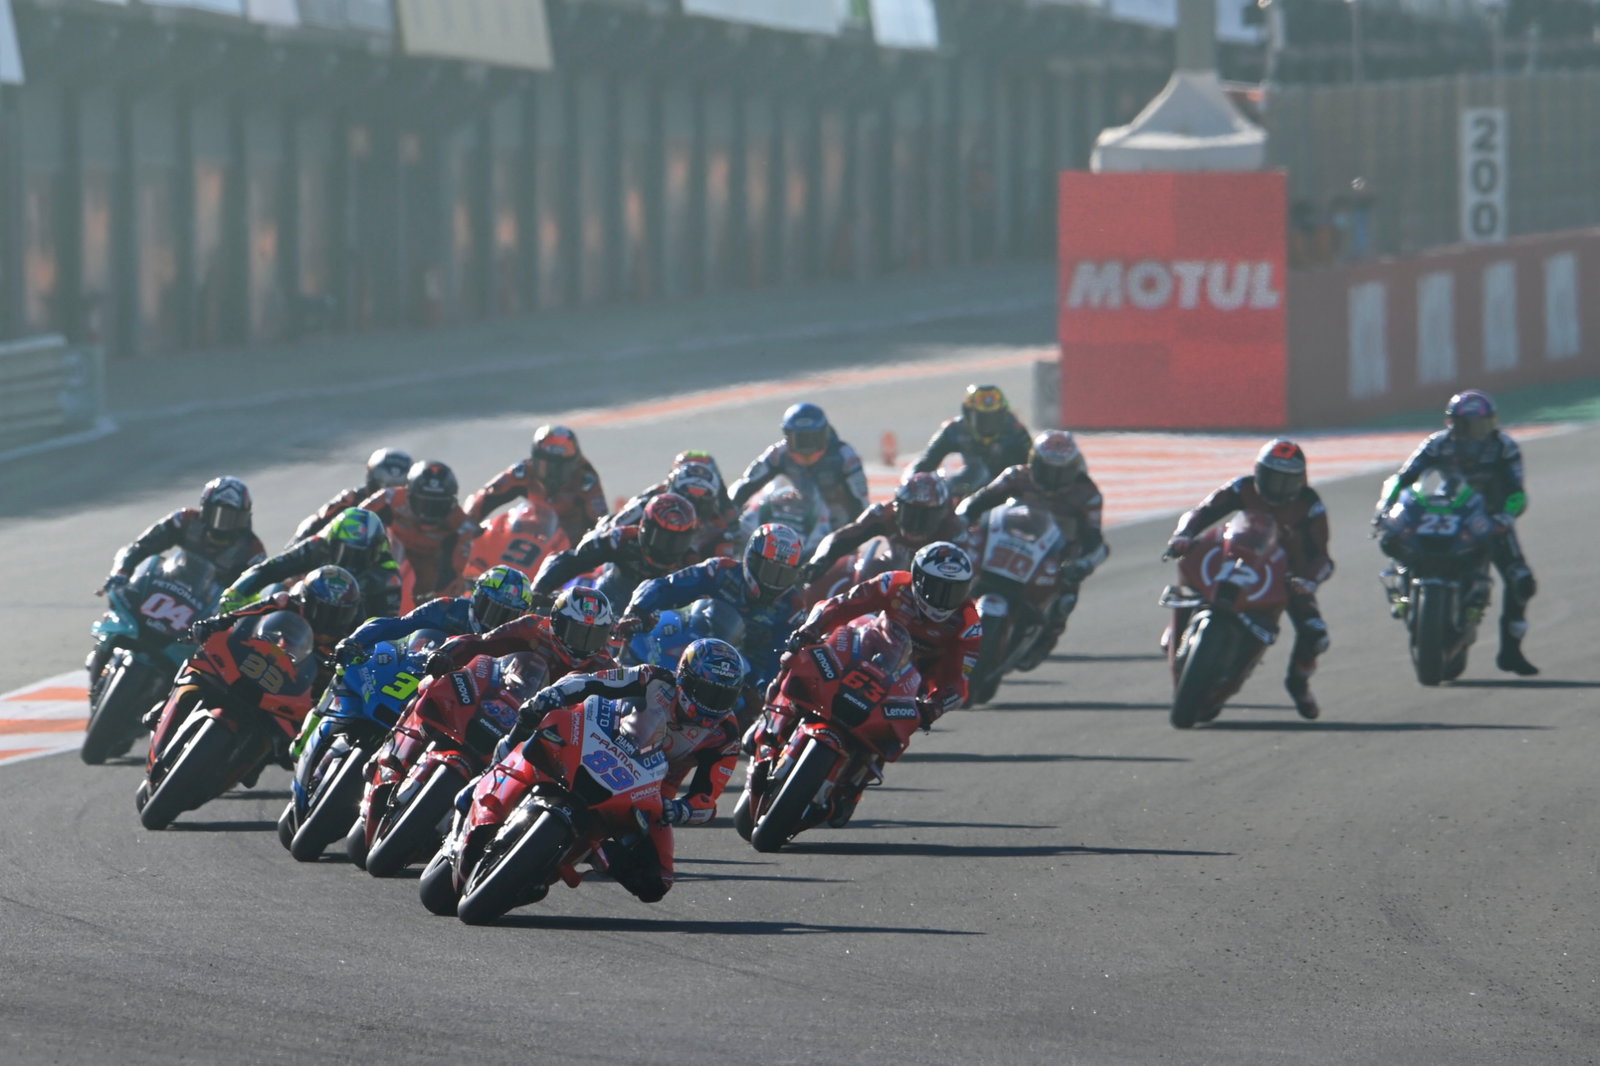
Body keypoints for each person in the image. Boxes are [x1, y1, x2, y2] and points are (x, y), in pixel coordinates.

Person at [507, 638, 747, 903]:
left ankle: (593, 851)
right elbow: (592, 681)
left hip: (651, 791)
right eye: (707, 693)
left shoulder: (725, 735)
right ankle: (499, 773)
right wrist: (553, 694)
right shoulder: (653, 678)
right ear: (685, 678)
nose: (713, 705)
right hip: (602, 743)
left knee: (657, 883)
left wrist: (681, 809)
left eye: (724, 697)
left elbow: (708, 798)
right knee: (542, 729)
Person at [1165, 439, 1334, 718]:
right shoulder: (1240, 488)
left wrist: (1308, 580)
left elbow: (1322, 558)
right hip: (1235, 558)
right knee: (1186, 587)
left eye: (1287, 481)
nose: (1278, 488)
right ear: (1258, 472)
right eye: (1272, 478)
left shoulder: (1310, 506)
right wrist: (1183, 535)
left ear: (1301, 481)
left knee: (1315, 634)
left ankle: (1298, 683)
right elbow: (1203, 511)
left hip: (1284, 575)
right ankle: (1177, 637)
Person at [1375, 390, 1537, 675]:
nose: (1477, 434)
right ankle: (1403, 586)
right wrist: (1386, 507)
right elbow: (1403, 478)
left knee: (1521, 580)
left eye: (1483, 426)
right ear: (1452, 424)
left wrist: (1506, 516)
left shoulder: (1504, 448)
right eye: (1469, 426)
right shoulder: (1436, 444)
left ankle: (1511, 650)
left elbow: (1517, 492)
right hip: (1446, 510)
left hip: (1488, 518)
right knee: (1395, 539)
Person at [784, 541, 981, 726]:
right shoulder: (893, 584)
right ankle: (778, 712)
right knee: (805, 652)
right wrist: (811, 629)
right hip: (868, 654)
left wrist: (937, 705)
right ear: (919, 580)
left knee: (893, 736)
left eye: (956, 591)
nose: (945, 601)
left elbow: (959, 683)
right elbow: (841, 605)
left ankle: (868, 760)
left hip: (909, 687)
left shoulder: (968, 623)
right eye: (938, 589)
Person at [956, 430, 1108, 668]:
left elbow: (1095, 540)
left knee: (1066, 597)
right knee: (958, 567)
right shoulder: (1016, 476)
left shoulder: (1087, 495)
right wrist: (962, 520)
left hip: (1054, 555)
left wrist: (1083, 563)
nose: (1053, 478)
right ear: (1033, 461)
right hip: (1005, 542)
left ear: (1074, 468)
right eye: (1046, 469)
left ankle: (1044, 640)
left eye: (1061, 471)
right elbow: (978, 501)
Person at [617, 524, 808, 693]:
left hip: (739, 679)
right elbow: (664, 587)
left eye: (784, 575)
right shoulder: (719, 570)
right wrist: (637, 611)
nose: (774, 583)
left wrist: (761, 691)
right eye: (771, 571)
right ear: (752, 559)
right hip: (694, 645)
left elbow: (781, 659)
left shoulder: (792, 609)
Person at [221, 507, 402, 622]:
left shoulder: (387, 577)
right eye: (345, 553)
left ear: (377, 551)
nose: (352, 564)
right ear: (332, 543)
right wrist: (236, 593)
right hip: (303, 617)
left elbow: (383, 626)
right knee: (278, 589)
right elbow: (270, 568)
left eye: (362, 556)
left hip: (347, 638)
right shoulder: (318, 545)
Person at [334, 565, 534, 667]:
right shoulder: (447, 608)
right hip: (411, 677)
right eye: (493, 610)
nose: (495, 621)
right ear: (477, 597)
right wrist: (353, 642)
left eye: (506, 616)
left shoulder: (516, 643)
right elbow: (395, 626)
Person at [531, 492, 701, 609]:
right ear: (645, 529)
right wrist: (541, 589)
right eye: (663, 538)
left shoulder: (690, 562)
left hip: (659, 624)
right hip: (607, 605)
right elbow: (572, 560)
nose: (669, 548)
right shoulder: (623, 539)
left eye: (679, 541)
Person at [101, 476, 266, 595]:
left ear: (245, 518)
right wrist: (121, 572)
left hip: (209, 617)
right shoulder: (184, 520)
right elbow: (140, 547)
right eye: (219, 517)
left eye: (233, 519)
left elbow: (254, 595)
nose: (225, 526)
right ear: (205, 512)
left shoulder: (252, 552)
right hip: (167, 590)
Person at [422, 585, 619, 681]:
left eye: (593, 635)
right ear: (557, 622)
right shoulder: (531, 627)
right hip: (498, 703)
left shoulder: (605, 667)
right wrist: (445, 654)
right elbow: (480, 642)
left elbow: (623, 708)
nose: (583, 644)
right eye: (578, 633)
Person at [803, 472, 967, 585]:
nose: (915, 525)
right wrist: (821, 559)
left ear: (941, 514)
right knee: (866, 569)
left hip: (933, 595)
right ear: (897, 507)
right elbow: (845, 535)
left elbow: (967, 578)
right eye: (910, 514)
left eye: (925, 518)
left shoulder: (954, 530)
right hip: (892, 584)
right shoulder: (884, 514)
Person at [729, 403, 869, 529]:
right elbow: (747, 483)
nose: (807, 451)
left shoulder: (845, 456)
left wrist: (848, 535)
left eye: (814, 440)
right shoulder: (778, 453)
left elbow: (860, 501)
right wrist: (730, 512)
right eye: (799, 441)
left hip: (835, 523)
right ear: (788, 437)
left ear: (825, 435)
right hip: (799, 514)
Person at [464, 424, 608, 545]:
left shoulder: (586, 481)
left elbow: (601, 524)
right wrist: (467, 524)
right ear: (535, 460)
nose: (554, 474)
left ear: (574, 464)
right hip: (534, 534)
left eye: (561, 468)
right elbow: (485, 495)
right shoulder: (524, 471)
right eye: (548, 466)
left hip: (570, 545)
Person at [359, 460, 478, 603]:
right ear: (409, 495)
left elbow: (453, 572)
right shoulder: (389, 498)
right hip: (386, 565)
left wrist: (437, 600)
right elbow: (355, 520)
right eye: (423, 503)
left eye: (437, 505)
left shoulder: (461, 525)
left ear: (451, 502)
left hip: (429, 581)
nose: (429, 512)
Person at [911, 384, 1034, 495]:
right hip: (970, 486)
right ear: (968, 414)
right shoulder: (953, 429)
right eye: (983, 418)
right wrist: (913, 484)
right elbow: (925, 462)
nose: (989, 424)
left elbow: (1032, 470)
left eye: (994, 417)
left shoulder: (1017, 431)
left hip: (1006, 492)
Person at [605, 458, 739, 558]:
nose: (692, 509)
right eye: (688, 500)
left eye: (701, 504)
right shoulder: (645, 505)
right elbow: (608, 530)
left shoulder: (719, 529)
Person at [288, 447, 412, 546]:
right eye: (385, 486)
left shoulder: (418, 509)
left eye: (399, 487)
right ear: (372, 480)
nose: (388, 494)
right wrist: (297, 544)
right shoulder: (351, 499)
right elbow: (316, 521)